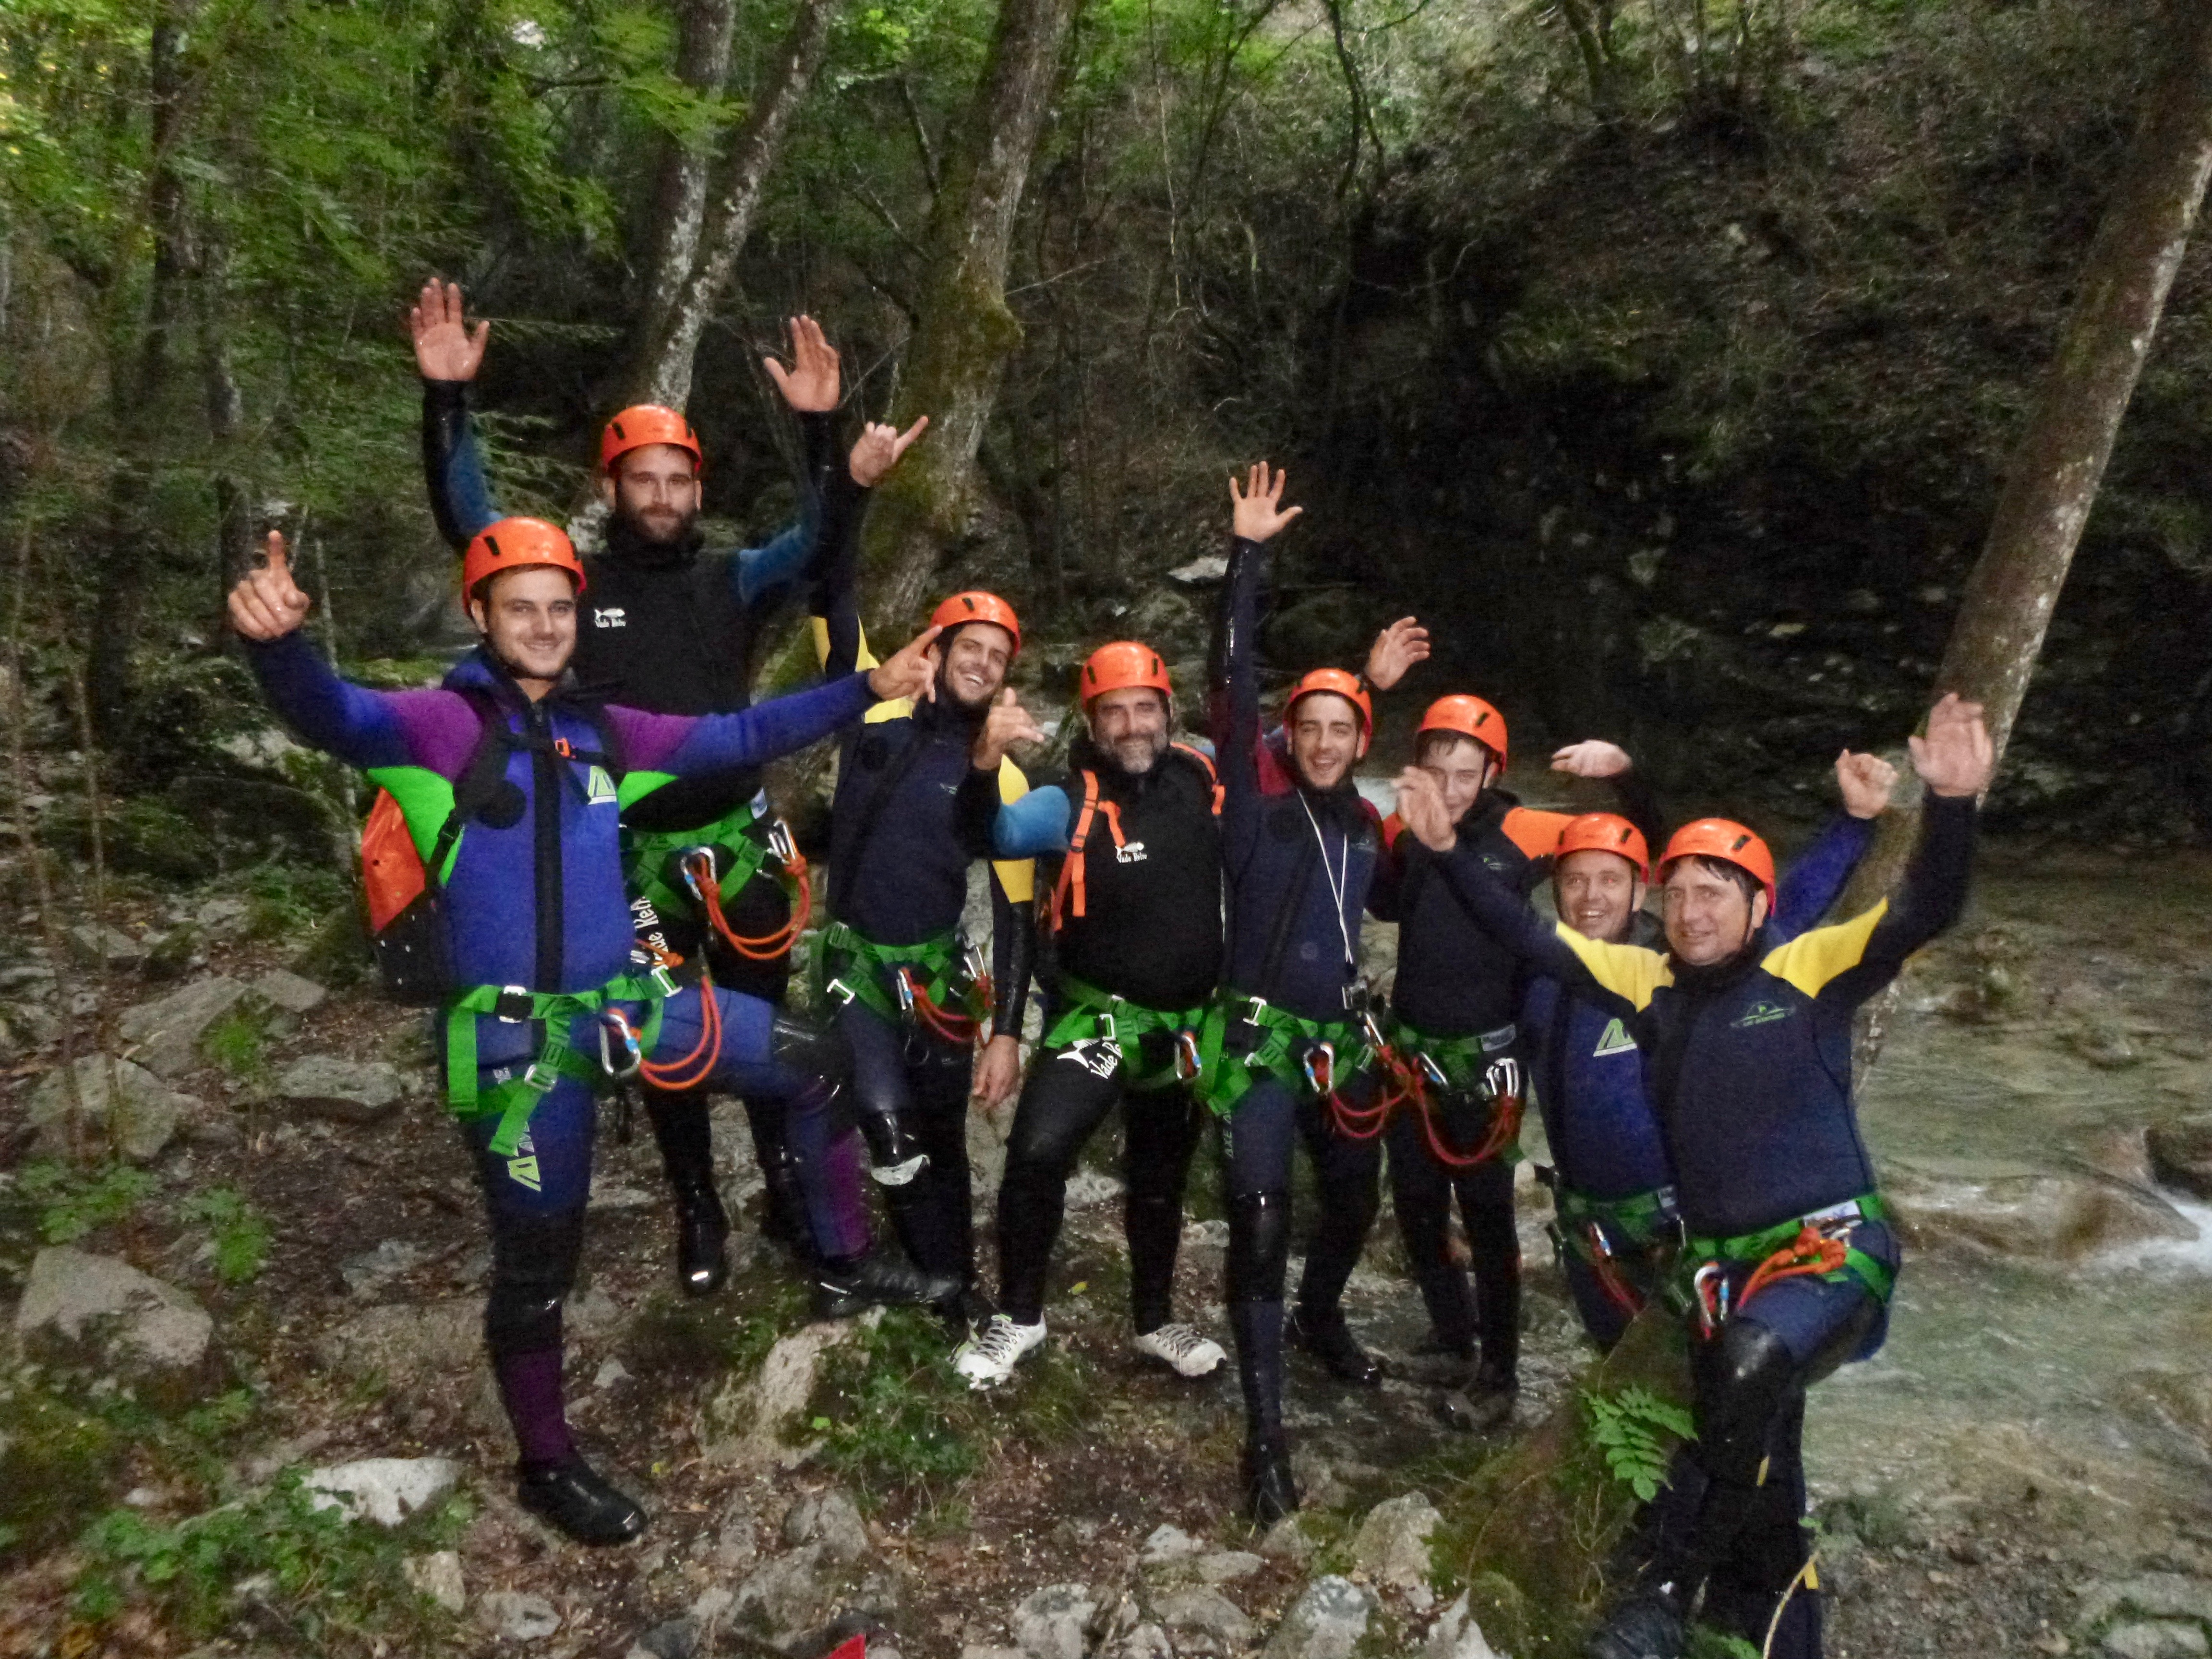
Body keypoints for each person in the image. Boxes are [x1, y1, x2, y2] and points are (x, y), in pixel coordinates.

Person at [229, 521, 941, 1545]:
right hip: (514, 1050)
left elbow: (736, 738)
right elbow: (331, 714)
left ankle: (842, 1259)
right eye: (521, 607)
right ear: (480, 614)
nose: (544, 626)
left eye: (559, 608)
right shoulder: (436, 729)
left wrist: (867, 690)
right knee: (538, 1262)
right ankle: (546, 1463)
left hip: (631, 1007)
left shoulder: (604, 732)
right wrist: (277, 647)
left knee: (814, 1063)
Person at [1394, 694, 1993, 1659]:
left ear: (1759, 908)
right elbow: (1527, 938)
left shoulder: (1807, 971)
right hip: (1716, 1268)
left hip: (1831, 1251)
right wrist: (1446, 851)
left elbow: (1925, 909)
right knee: (1759, 1444)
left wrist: (1954, 808)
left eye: (1717, 892)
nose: (1693, 909)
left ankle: (1669, 1589)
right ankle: (1775, 1620)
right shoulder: (1648, 985)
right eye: (1679, 893)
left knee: (1747, 1371)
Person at [410, 281, 933, 1313]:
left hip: (737, 842)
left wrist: (826, 436)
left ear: (695, 490)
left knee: (765, 1021)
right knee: (662, 1036)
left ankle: (787, 1192)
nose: (659, 495)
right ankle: (698, 1203)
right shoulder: (574, 584)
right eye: (640, 480)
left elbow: (818, 546)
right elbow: (475, 524)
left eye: (674, 480)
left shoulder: (729, 580)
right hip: (631, 858)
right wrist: (446, 404)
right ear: (613, 490)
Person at [1194, 463, 1416, 1523]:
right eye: (1311, 728)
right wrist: (1248, 559)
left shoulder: (1369, 827)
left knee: (1357, 1200)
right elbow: (1233, 690)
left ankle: (1322, 1316)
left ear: (1362, 743)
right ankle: (1266, 1435)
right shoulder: (1252, 805)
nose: (1326, 742)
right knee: (1262, 1217)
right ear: (1291, 737)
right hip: (1258, 1040)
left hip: (1342, 1038)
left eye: (1344, 730)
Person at [1527, 750, 1896, 1354]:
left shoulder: (1681, 969)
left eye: (1611, 879)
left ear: (1642, 885)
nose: (1591, 897)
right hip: (1588, 1221)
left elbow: (1790, 902)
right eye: (1574, 881)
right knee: (1622, 1360)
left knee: (1737, 1367)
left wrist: (1854, 822)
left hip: (1678, 1220)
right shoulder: (1542, 975)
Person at [944, 641, 1228, 1388]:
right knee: (1038, 1151)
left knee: (1161, 1177)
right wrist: (983, 766)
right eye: (1114, 712)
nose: (1132, 726)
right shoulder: (1068, 802)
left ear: (1168, 714)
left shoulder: (1202, 778)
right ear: (1093, 725)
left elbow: (1282, 755)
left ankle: (1155, 1319)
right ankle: (1021, 1314)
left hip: (1184, 1031)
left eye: (1144, 709)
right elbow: (992, 836)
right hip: (1098, 1022)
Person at [1373, 696, 1657, 1425]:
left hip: (1488, 1062)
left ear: (1494, 772)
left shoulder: (1528, 833)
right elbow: (1381, 903)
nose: (1450, 789)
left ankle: (1499, 1375)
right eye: (1437, 772)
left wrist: (1625, 775)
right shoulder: (1405, 826)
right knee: (1415, 1202)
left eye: (1466, 774)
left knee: (1489, 1217)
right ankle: (1449, 1333)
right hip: (1409, 1053)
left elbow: (1636, 849)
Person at [814, 588, 1036, 1322]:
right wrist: (850, 482)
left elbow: (1016, 912)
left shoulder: (1003, 774)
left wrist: (1005, 1032)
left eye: (996, 656)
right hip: (855, 962)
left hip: (937, 971)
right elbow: (833, 594)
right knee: (891, 1128)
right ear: (934, 649)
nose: (981, 663)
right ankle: (938, 1280)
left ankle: (953, 1277)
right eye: (968, 645)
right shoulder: (873, 705)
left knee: (943, 1134)